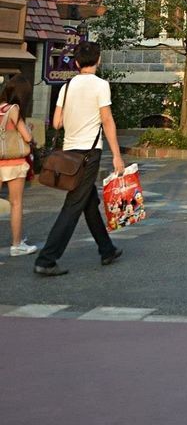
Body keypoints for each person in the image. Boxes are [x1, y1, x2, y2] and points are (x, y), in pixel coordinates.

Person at [34, 41, 125, 277]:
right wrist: (116, 155)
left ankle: (107, 249)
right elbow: (106, 120)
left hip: (69, 152)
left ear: (76, 62)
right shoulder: (101, 85)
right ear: (98, 60)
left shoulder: (67, 85)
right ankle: (47, 259)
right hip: (89, 153)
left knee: (88, 201)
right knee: (74, 205)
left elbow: (56, 123)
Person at [0, 74, 37, 257]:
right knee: (16, 203)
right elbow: (27, 137)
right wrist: (30, 131)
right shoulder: (13, 109)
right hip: (13, 163)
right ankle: (16, 245)